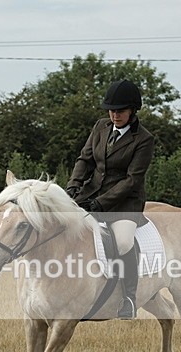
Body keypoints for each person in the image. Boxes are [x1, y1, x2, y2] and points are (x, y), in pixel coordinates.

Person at [66, 79, 155, 319]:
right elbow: (85, 160)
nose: (115, 115)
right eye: (111, 110)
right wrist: (73, 186)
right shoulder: (101, 127)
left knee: (123, 242)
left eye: (120, 111)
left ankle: (129, 298)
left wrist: (101, 203)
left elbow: (132, 180)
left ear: (132, 111)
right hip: (91, 194)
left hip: (125, 203)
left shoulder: (144, 139)